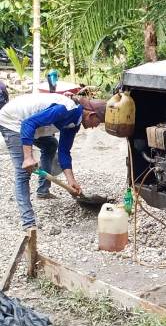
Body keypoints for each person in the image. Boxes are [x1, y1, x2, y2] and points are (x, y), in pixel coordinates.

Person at [0, 93, 107, 231]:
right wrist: (28, 157)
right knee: (23, 171)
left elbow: (64, 151)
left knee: (50, 144)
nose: (95, 127)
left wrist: (71, 181)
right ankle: (28, 223)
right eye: (98, 123)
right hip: (13, 121)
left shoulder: (75, 122)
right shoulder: (65, 110)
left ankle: (43, 191)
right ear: (92, 115)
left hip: (31, 124)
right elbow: (28, 123)